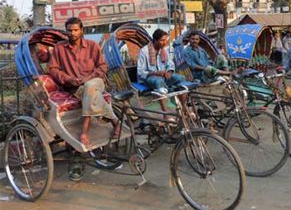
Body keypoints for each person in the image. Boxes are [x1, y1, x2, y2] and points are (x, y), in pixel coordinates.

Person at [48, 17, 120, 147]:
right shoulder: (60, 48)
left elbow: (102, 66)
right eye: (69, 30)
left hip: (96, 81)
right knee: (92, 94)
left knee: (90, 86)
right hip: (74, 86)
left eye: (75, 30)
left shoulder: (92, 45)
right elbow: (53, 69)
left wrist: (89, 78)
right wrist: (68, 78)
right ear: (66, 31)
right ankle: (116, 122)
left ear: (81, 30)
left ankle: (84, 131)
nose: (72, 33)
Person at [137, 29, 187, 113]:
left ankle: (184, 108)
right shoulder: (144, 51)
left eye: (165, 40)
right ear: (155, 40)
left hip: (163, 76)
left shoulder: (164, 50)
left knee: (181, 78)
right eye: (162, 40)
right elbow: (140, 72)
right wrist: (156, 73)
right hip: (149, 78)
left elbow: (170, 64)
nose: (164, 42)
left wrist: (169, 72)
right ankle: (166, 113)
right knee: (158, 81)